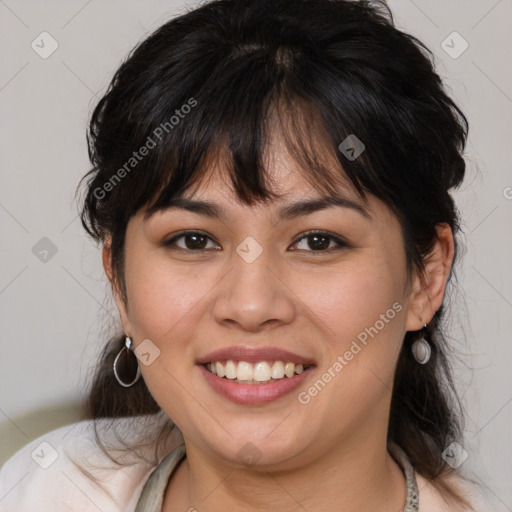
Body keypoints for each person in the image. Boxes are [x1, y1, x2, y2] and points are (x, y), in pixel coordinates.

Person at [0, 0, 490, 510]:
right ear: (118, 280)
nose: (251, 306)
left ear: (426, 277)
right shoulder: (41, 491)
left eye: (317, 241)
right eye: (193, 240)